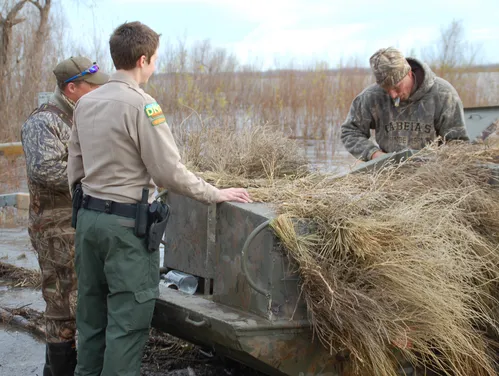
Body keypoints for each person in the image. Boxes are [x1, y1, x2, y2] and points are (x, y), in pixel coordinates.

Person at [67, 21, 252, 376]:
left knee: (90, 320)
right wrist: (214, 193)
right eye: (155, 59)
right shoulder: (142, 105)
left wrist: (88, 205)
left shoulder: (85, 105)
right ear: (142, 60)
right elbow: (168, 172)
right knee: (127, 325)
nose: (155, 66)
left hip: (87, 222)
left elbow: (73, 170)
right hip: (125, 227)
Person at [21, 57, 109, 375]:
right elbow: (46, 170)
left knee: (82, 304)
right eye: (92, 86)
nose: (99, 92)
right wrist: (100, 176)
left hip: (81, 222)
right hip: (55, 227)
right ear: (71, 88)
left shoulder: (83, 117)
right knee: (63, 308)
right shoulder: (44, 121)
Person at [340, 47, 470, 161]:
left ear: (409, 73)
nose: (393, 95)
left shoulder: (443, 95)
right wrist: (374, 154)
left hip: (432, 173)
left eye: (397, 87)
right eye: (386, 89)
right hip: (387, 174)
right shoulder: (371, 96)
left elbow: (457, 143)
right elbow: (350, 132)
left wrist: (438, 165)